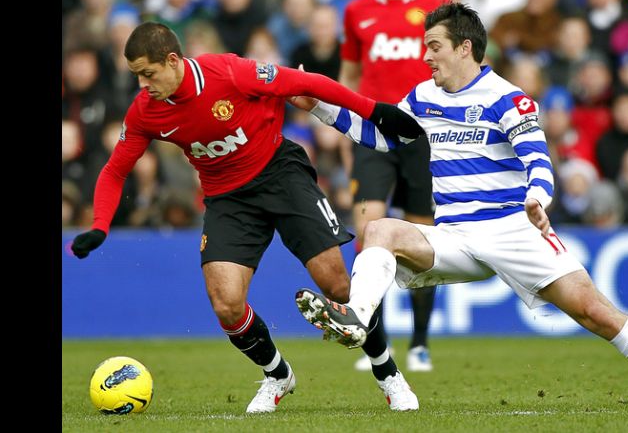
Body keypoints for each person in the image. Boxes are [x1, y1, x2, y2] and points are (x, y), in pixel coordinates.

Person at [291, 3, 628, 408]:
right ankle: (356, 317)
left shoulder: (508, 98)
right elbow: (382, 138)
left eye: (434, 46)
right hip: (454, 236)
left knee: (596, 313)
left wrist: (537, 199)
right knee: (379, 229)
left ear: (464, 48)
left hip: (512, 230)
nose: (426, 56)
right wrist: (320, 108)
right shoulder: (422, 97)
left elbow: (538, 160)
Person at [69, 21, 418, 413]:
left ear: (172, 60)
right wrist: (99, 226)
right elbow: (116, 170)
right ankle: (277, 374)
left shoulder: (230, 73)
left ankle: (388, 374)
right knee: (226, 304)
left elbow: (310, 84)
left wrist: (375, 111)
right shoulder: (145, 111)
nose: (143, 85)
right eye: (136, 76)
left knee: (338, 287)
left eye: (148, 74)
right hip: (225, 197)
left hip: (280, 174)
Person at [338, 0, 449, 373]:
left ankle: (420, 343)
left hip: (425, 138)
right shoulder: (357, 10)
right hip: (373, 135)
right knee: (369, 230)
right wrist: (346, 130)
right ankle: (370, 336)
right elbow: (348, 78)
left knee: (422, 241)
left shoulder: (438, 5)